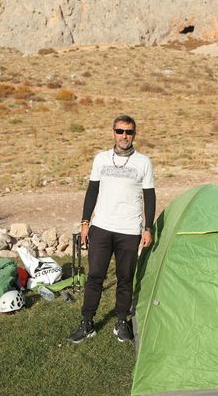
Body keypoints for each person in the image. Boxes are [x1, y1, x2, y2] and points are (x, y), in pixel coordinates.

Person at [68, 115, 156, 344]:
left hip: (129, 229)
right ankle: (87, 322)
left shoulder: (143, 162)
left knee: (125, 278)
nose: (124, 136)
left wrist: (147, 228)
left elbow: (150, 196)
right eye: (120, 131)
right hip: (102, 227)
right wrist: (85, 222)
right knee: (95, 276)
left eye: (129, 132)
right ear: (113, 133)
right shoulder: (101, 159)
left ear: (134, 134)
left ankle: (121, 322)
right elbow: (92, 191)